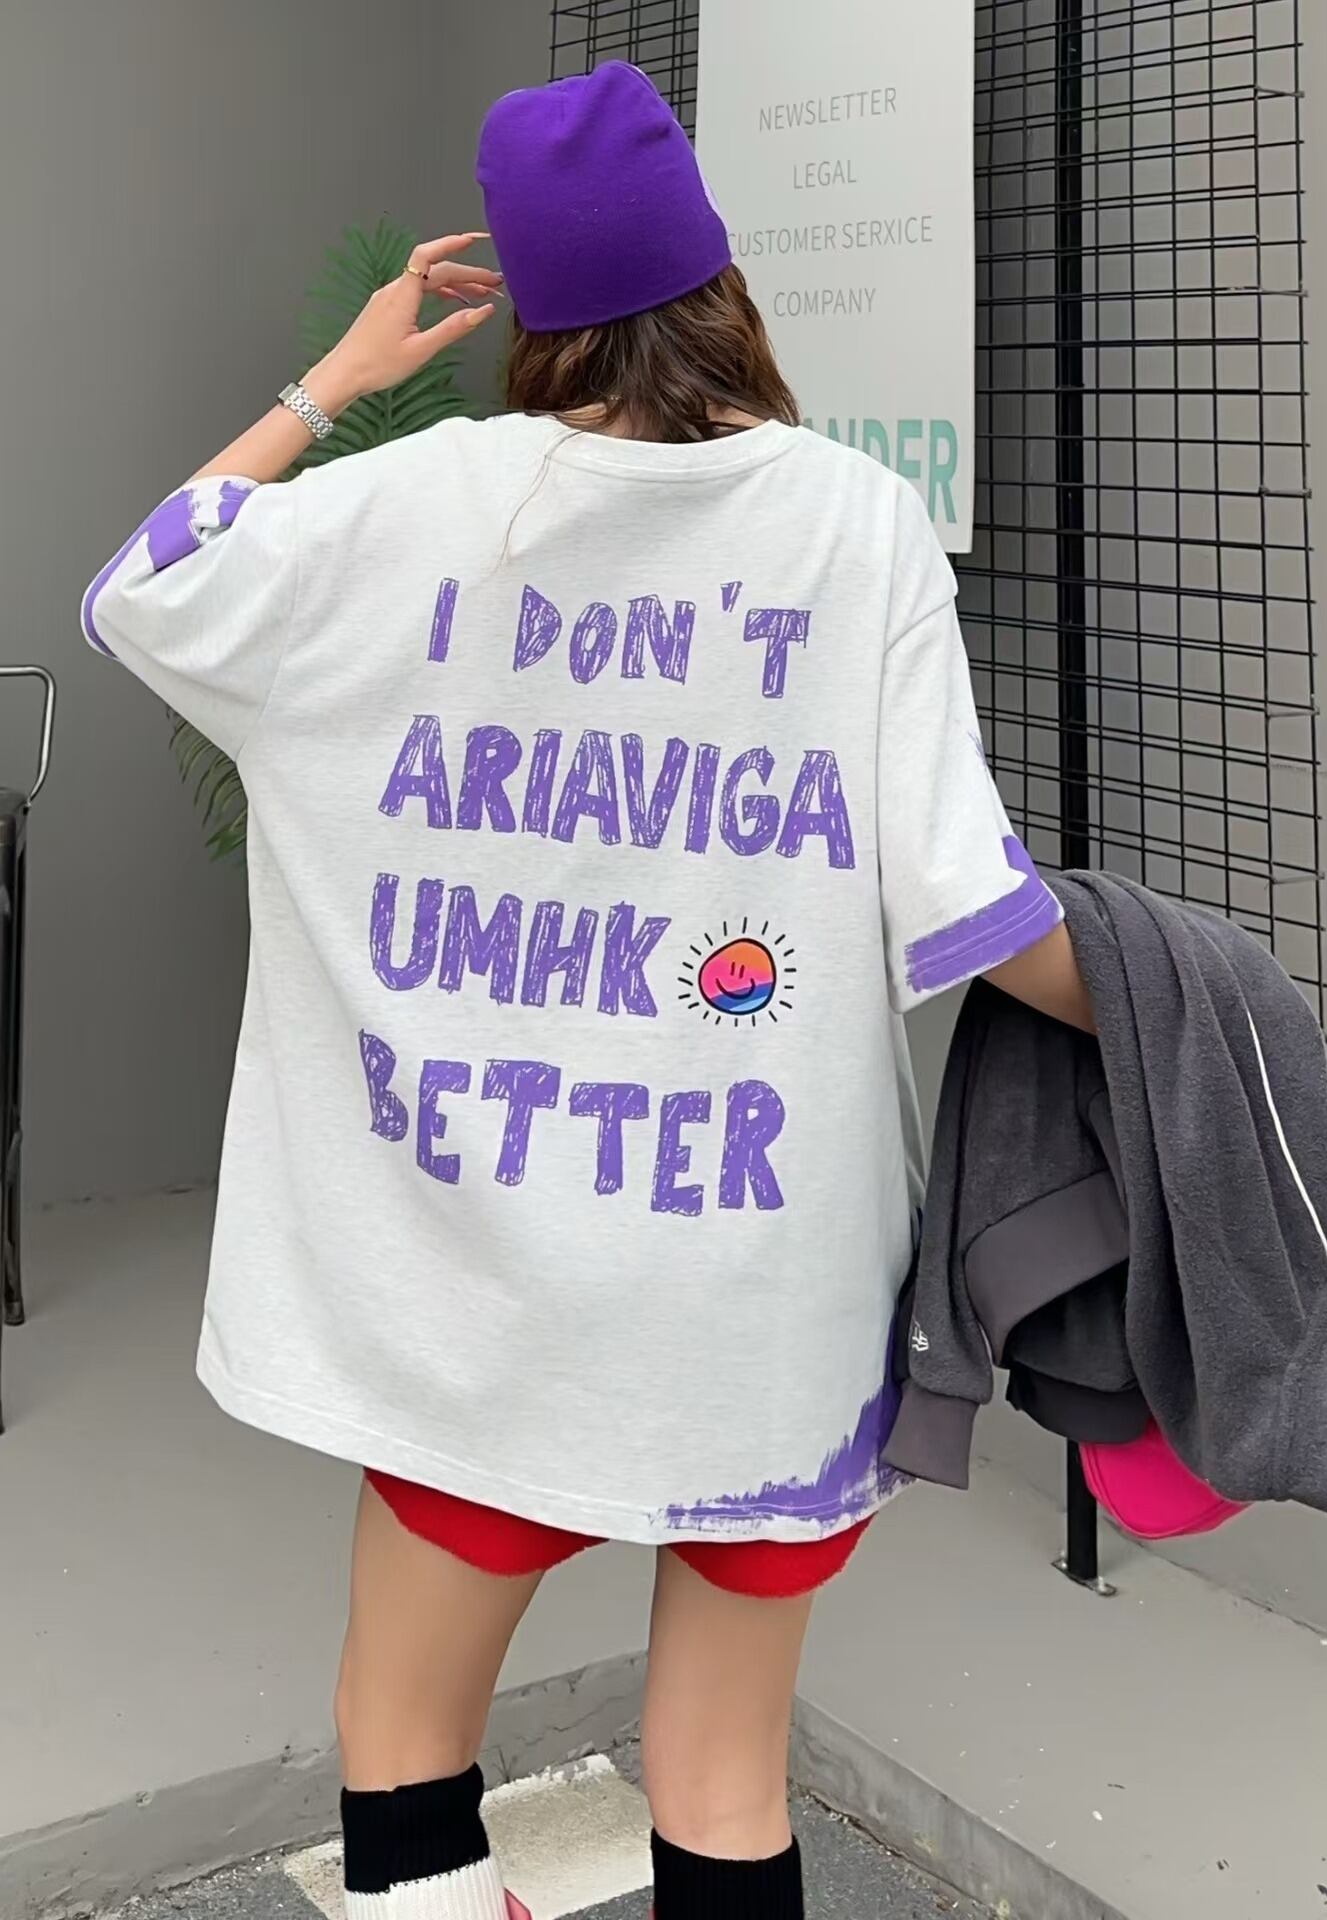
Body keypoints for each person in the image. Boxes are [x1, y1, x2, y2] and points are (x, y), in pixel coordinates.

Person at [82, 62, 1091, 1920]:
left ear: (527, 305)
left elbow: (143, 591)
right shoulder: (858, 522)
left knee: (405, 1749)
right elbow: (974, 909)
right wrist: (1206, 1048)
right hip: (769, 1301)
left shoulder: (407, 511)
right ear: (720, 280)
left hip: (485, 1293)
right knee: (723, 1784)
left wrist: (333, 386)